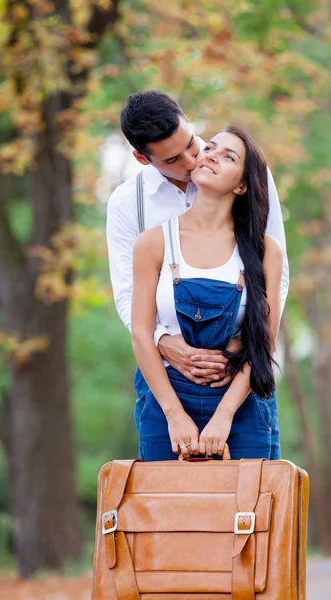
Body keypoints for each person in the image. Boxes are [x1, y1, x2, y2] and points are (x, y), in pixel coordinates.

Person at [106, 90, 288, 458]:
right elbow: (129, 298)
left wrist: (242, 346)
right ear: (143, 158)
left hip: (240, 376)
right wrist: (165, 344)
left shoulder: (247, 171)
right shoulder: (131, 208)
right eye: (173, 159)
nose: (193, 161)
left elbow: (273, 281)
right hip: (166, 378)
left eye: (193, 143)